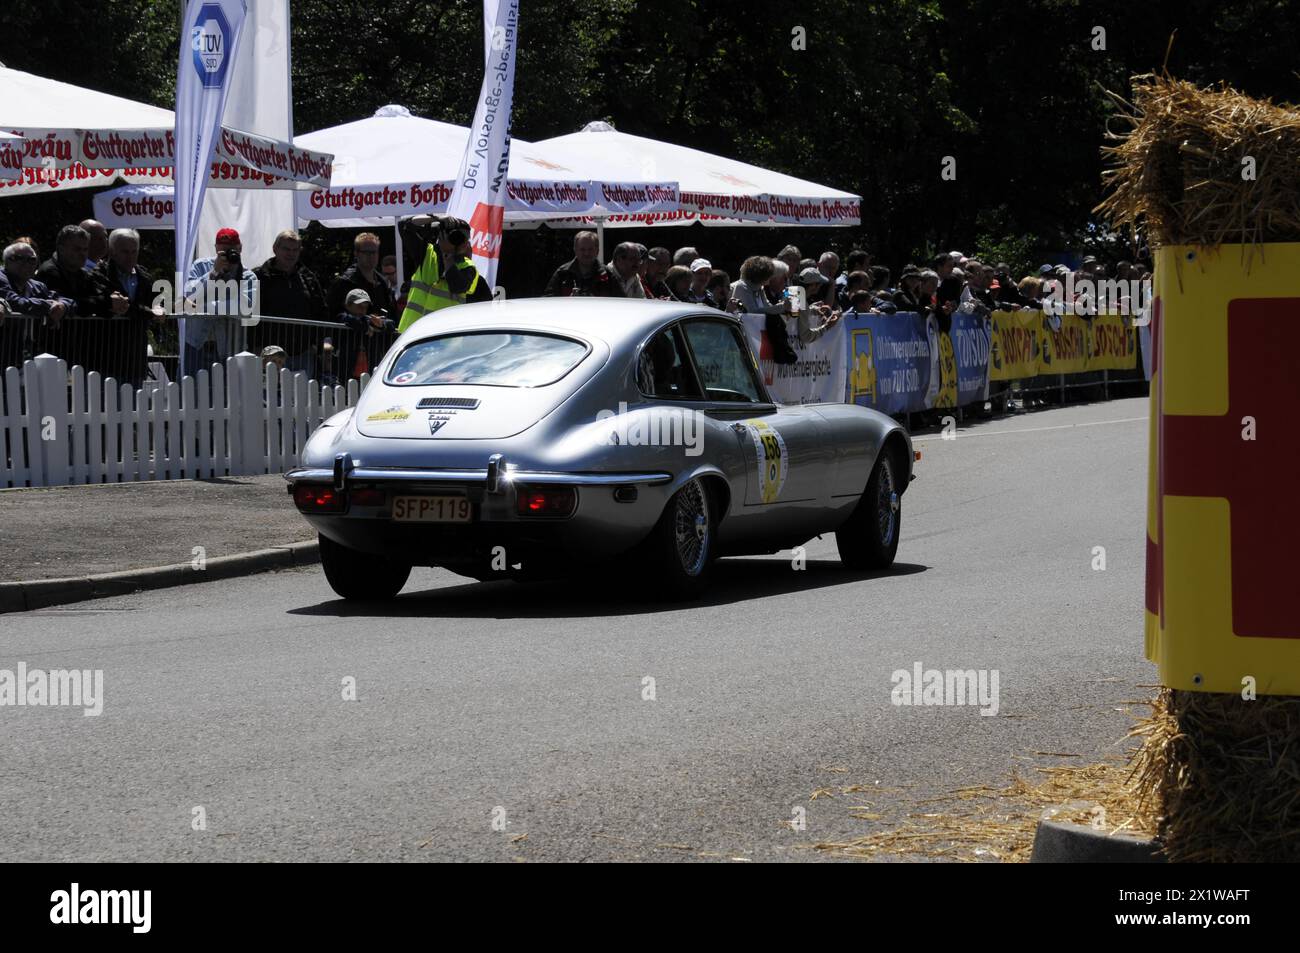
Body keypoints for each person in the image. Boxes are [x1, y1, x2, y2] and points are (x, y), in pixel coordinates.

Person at [93, 228, 165, 387]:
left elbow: (156, 301)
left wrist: (159, 308)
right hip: (106, 355)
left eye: (134, 251)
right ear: (112, 251)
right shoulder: (100, 273)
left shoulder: (143, 276)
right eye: (125, 251)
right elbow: (124, 307)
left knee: (133, 408)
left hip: (135, 356)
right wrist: (149, 312)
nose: (130, 256)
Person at [183, 227, 257, 376]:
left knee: (229, 396)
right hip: (196, 346)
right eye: (222, 252)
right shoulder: (200, 266)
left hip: (230, 350)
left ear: (240, 248)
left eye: (231, 250)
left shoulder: (248, 276)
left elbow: (243, 307)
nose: (227, 256)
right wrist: (213, 273)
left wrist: (203, 307)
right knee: (191, 395)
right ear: (216, 248)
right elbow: (189, 294)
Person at [396, 215, 484, 332]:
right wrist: (436, 218)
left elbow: (458, 286)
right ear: (441, 235)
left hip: (442, 337)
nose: (461, 242)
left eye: (462, 238)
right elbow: (404, 225)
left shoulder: (468, 267)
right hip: (412, 334)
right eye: (453, 236)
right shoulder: (427, 254)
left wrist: (448, 258)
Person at [730, 256, 795, 364]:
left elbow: (767, 307)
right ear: (761, 275)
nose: (771, 278)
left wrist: (783, 305)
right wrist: (780, 307)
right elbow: (752, 311)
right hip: (745, 340)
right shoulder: (742, 287)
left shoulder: (760, 288)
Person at [254, 229, 326, 321]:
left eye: (295, 250)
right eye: (286, 249)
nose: (291, 254)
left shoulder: (309, 277)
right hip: (266, 334)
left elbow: (321, 311)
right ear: (275, 249)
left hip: (303, 335)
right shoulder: (257, 276)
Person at [327, 231, 394, 319]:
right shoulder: (344, 282)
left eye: (374, 252)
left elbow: (391, 312)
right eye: (366, 252)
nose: (370, 256)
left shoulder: (383, 283)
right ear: (356, 253)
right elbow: (331, 313)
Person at [542, 231, 623, 297]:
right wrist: (568, 301)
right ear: (575, 250)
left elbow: (621, 303)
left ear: (597, 251)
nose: (586, 253)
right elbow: (547, 301)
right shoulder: (562, 274)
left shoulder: (608, 275)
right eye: (582, 249)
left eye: (590, 249)